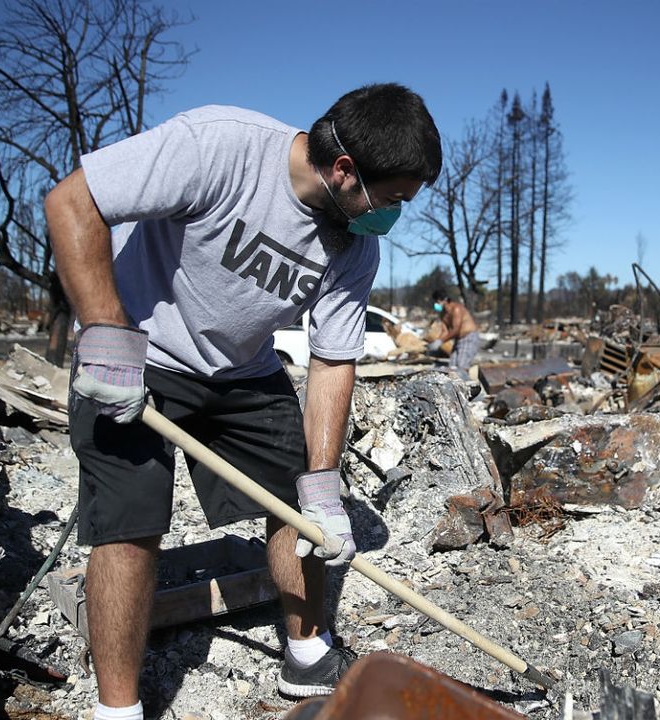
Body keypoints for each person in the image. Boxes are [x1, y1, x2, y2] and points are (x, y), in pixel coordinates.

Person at [44, 83, 441, 719]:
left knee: (297, 498)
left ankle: (307, 651)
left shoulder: (353, 241)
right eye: (391, 198)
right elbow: (72, 201)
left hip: (243, 369)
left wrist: (323, 485)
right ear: (345, 172)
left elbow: (333, 360)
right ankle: (117, 709)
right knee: (129, 523)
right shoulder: (219, 147)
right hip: (136, 352)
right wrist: (106, 333)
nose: (392, 215)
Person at [429, 289, 481, 378]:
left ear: (443, 300)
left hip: (468, 338)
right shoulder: (443, 314)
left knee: (461, 366)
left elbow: (455, 329)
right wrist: (436, 342)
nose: (436, 304)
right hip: (458, 340)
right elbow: (445, 331)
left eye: (437, 302)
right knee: (452, 367)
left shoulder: (456, 309)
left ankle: (466, 386)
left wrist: (440, 342)